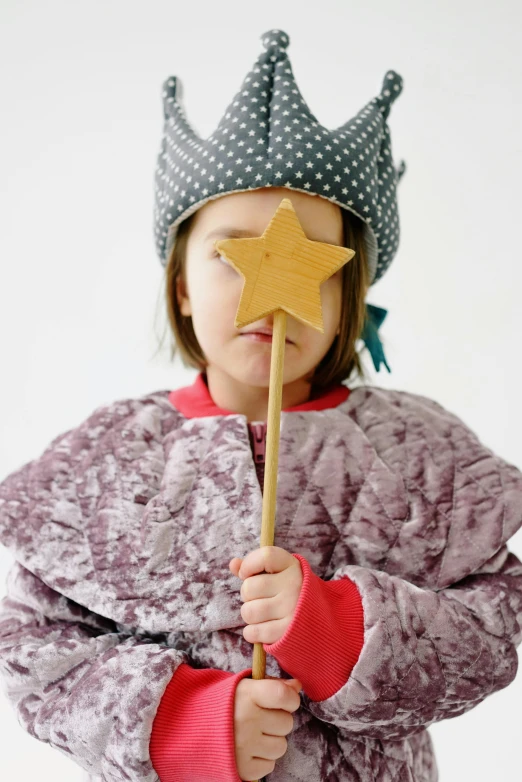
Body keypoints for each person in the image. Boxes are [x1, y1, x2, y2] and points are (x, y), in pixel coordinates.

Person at [0, 27, 521, 782]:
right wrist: (180, 718)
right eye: (231, 251)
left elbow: (496, 621)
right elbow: (31, 644)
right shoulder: (112, 456)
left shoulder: (418, 451)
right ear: (181, 282)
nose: (271, 287)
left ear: (352, 294)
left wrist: (340, 631)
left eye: (313, 256)